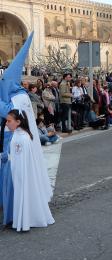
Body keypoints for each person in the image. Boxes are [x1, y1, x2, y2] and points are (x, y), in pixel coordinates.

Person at [0, 32, 53, 228]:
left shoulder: (19, 97)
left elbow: (11, 114)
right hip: (12, 141)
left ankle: (16, 212)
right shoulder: (17, 94)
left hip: (18, 141)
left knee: (15, 178)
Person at [5, 109, 55, 231]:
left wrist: (20, 175)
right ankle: (24, 218)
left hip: (22, 173)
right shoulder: (17, 134)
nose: (6, 123)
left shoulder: (23, 138)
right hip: (17, 172)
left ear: (18, 122)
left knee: (25, 193)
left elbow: (23, 160)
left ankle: (26, 220)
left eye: (9, 121)